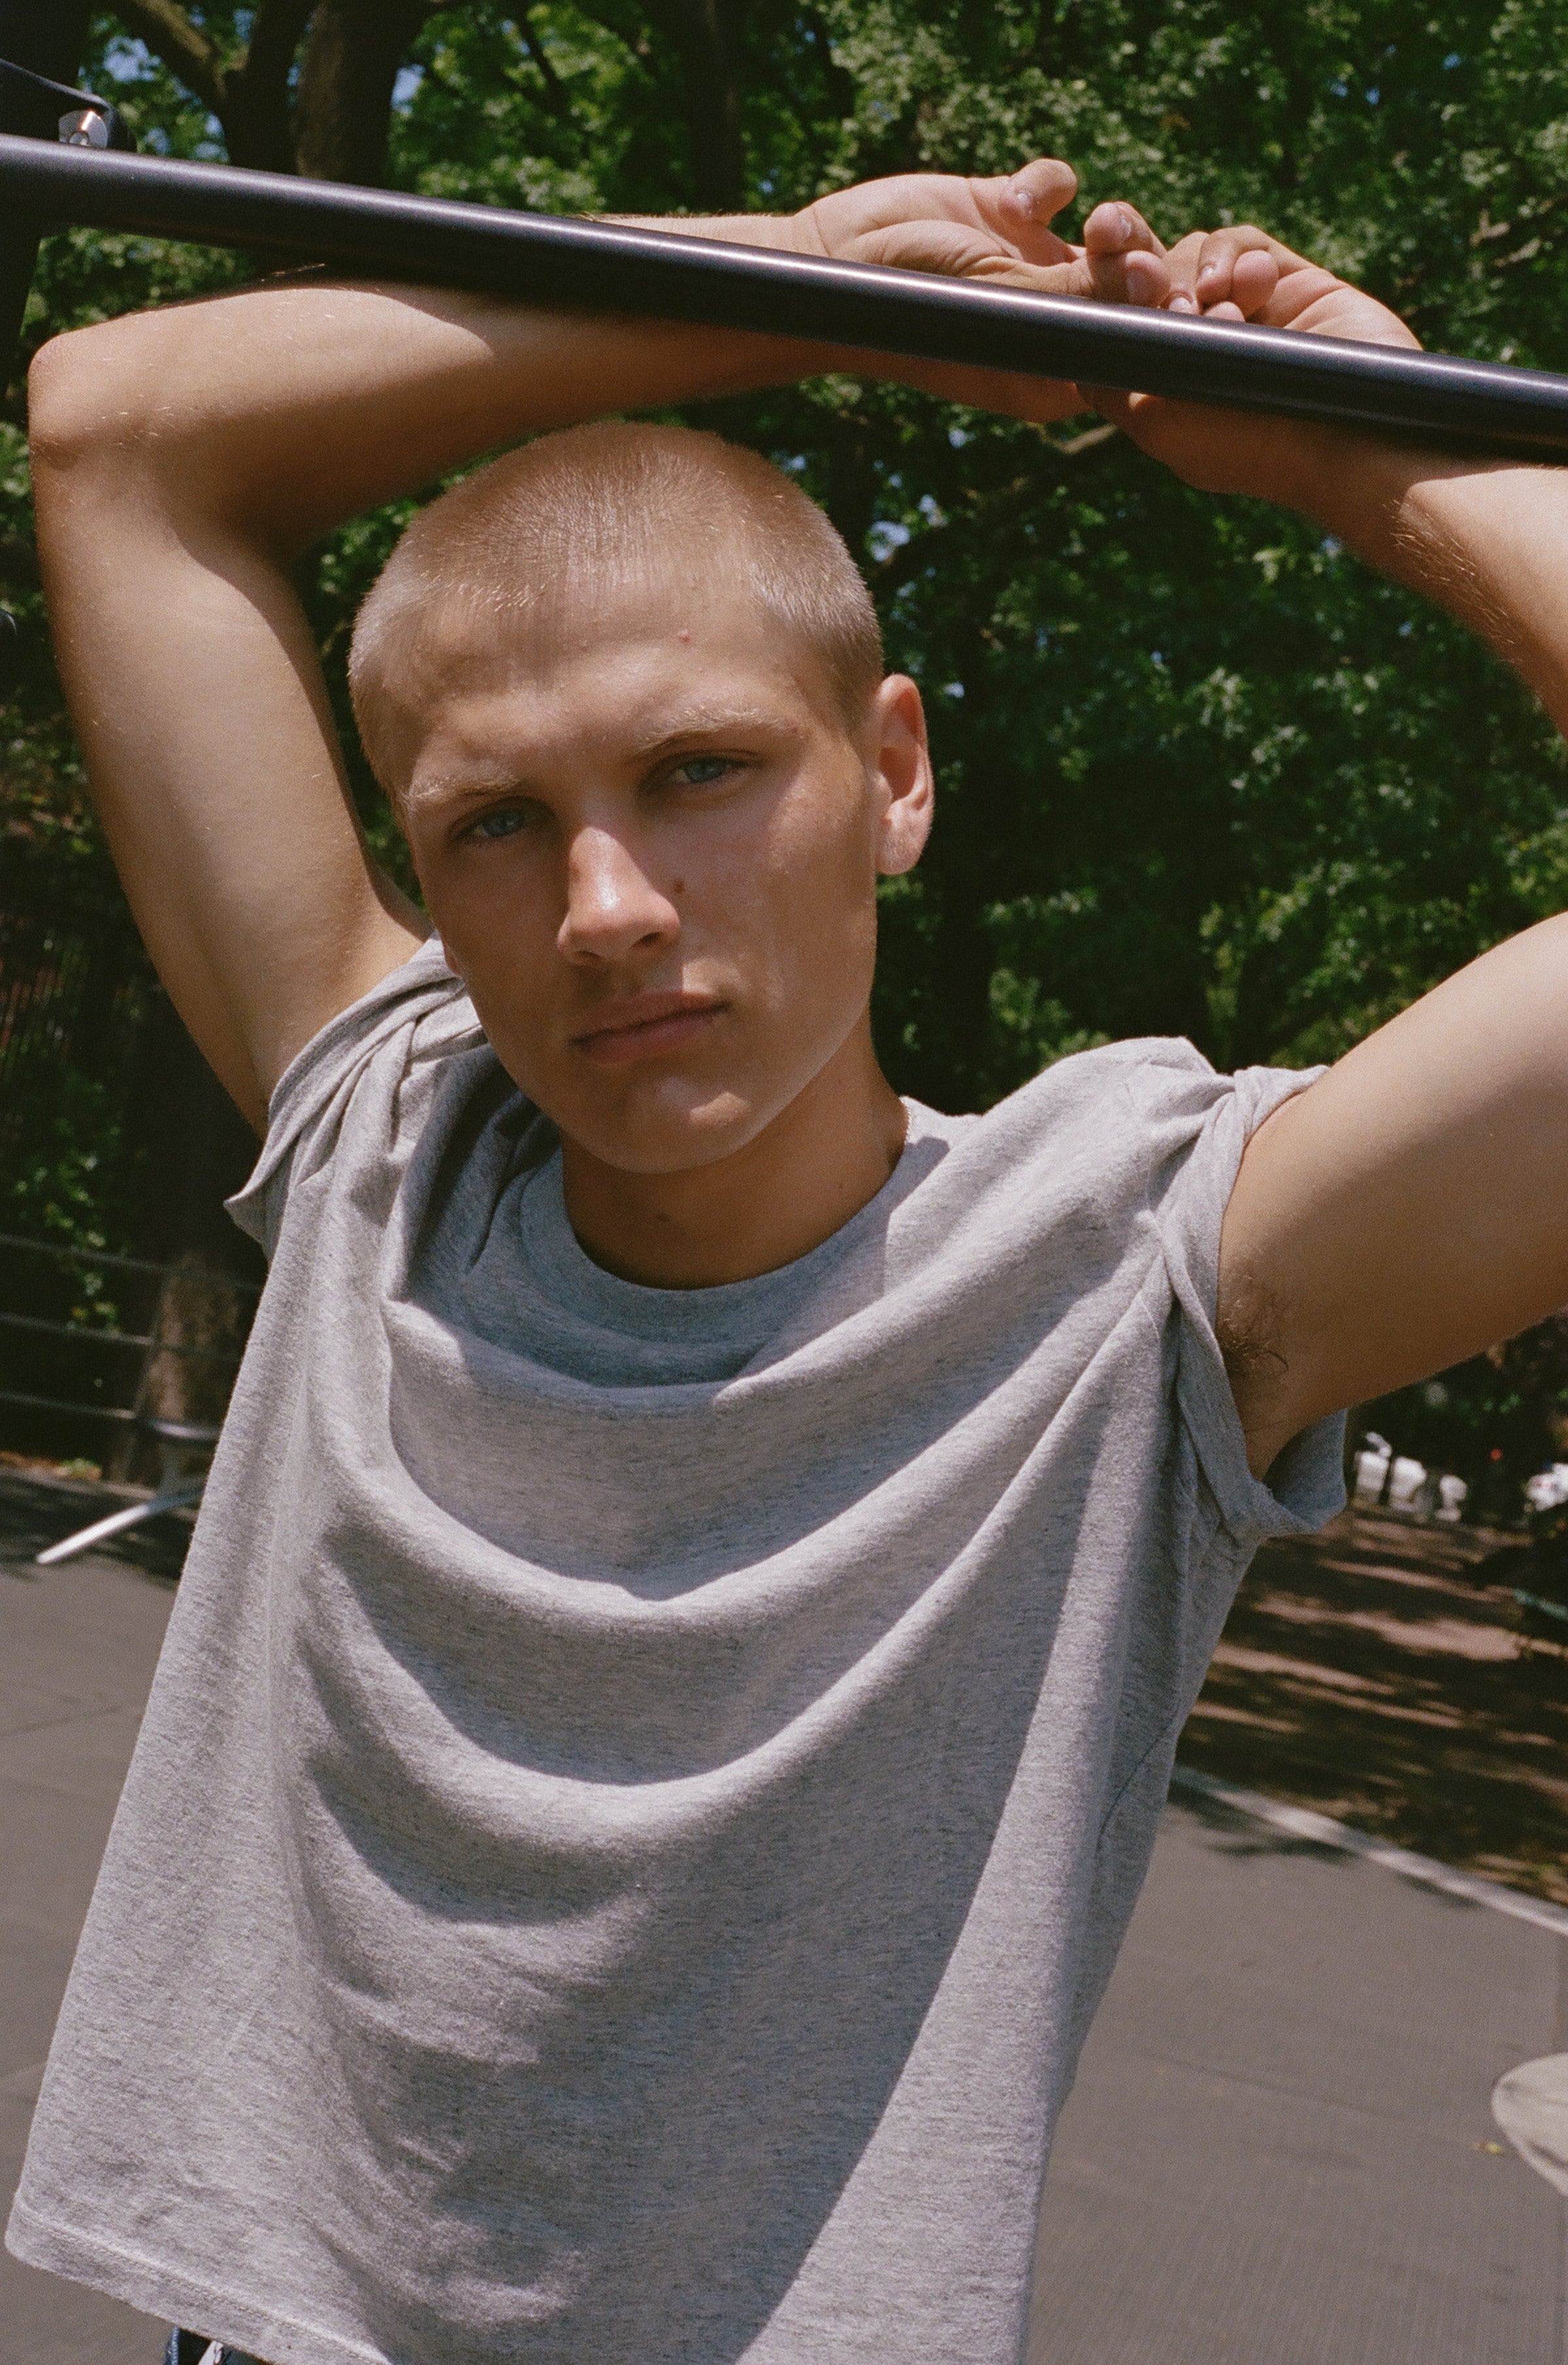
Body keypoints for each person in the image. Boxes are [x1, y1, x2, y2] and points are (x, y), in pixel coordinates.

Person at [6, 146, 1567, 2365]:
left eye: (704, 768)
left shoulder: (1135, 1272)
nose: (611, 906)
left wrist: (1390, 455)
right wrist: (804, 283)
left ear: (894, 771)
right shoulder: (387, 1136)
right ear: (429, 877)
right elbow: (116, 425)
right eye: (497, 823)